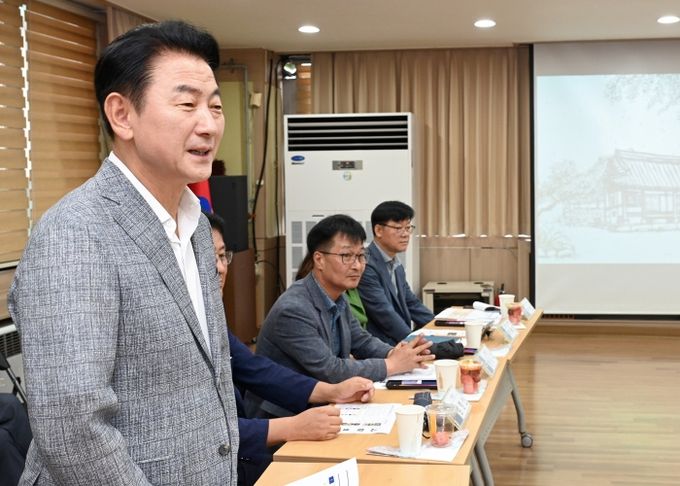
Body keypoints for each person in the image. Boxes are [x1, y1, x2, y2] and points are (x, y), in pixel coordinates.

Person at [9, 21, 241, 485]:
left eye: (215, 106)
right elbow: (73, 427)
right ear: (122, 115)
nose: (209, 124)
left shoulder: (196, 224)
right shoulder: (76, 232)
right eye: (187, 104)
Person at [205, 212, 374, 485]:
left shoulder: (211, 318)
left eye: (223, 256)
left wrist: (332, 392)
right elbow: (199, 432)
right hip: (239, 451)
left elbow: (257, 369)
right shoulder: (293, 306)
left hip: (244, 448)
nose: (221, 268)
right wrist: (292, 426)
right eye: (208, 257)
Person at [254, 214, 435, 400]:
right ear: (319, 260)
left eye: (361, 256)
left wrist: (394, 352)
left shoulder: (339, 297)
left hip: (326, 401)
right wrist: (392, 365)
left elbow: (361, 341)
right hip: (285, 409)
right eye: (346, 256)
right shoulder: (293, 309)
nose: (357, 266)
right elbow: (330, 370)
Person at [358, 201, 435, 346]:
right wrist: (414, 342)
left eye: (408, 228)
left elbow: (412, 303)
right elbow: (384, 314)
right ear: (378, 230)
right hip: (381, 347)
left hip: (400, 341)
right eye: (398, 228)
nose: (405, 234)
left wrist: (438, 325)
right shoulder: (365, 264)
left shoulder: (396, 264)